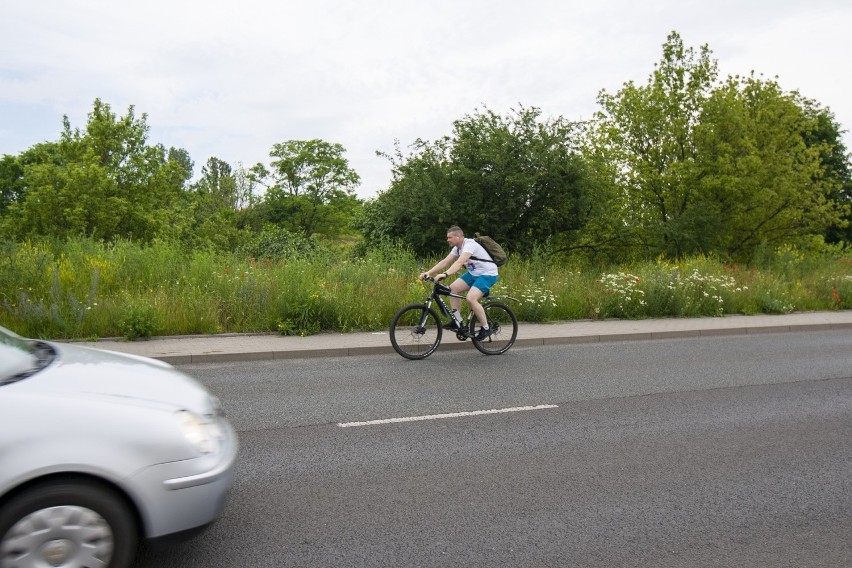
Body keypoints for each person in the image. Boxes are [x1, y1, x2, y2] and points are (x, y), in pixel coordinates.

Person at [419, 225, 498, 341]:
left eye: (449, 237)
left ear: (458, 236)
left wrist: (445, 274)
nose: (447, 240)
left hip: (488, 274)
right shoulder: (457, 248)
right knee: (452, 289)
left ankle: (486, 328)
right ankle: (457, 320)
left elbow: (460, 262)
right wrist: (428, 272)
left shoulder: (469, 244)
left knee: (471, 299)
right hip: (474, 274)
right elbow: (445, 261)